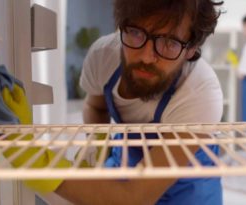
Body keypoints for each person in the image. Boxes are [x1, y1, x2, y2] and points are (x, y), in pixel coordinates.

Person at [56, 0, 224, 204]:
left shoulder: (200, 92)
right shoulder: (103, 56)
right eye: (136, 32)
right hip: (126, 161)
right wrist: (98, 148)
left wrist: (41, 169)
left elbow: (133, 198)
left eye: (169, 42)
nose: (146, 56)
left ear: (191, 49)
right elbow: (95, 106)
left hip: (189, 186)